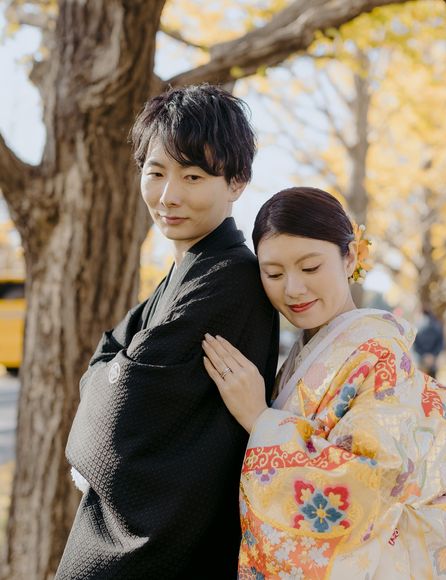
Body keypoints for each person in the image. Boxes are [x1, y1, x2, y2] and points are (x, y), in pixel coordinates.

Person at [202, 187, 446, 578]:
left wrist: (260, 420)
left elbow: (370, 481)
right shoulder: (311, 350)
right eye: (273, 273)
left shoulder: (381, 354)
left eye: (310, 268)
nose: (292, 288)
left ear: (349, 256)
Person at [55, 84, 280, 579]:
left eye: (193, 176)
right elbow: (105, 358)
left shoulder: (232, 280)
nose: (168, 195)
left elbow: (122, 406)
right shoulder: (187, 272)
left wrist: (112, 370)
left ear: (237, 182)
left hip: (164, 545)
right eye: (155, 172)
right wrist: (113, 367)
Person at [413, 307, 445, 379]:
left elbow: (440, 342)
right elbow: (415, 343)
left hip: (431, 360)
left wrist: (432, 355)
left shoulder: (435, 326)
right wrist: (425, 355)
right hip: (422, 360)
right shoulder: (417, 325)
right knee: (424, 380)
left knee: (428, 379)